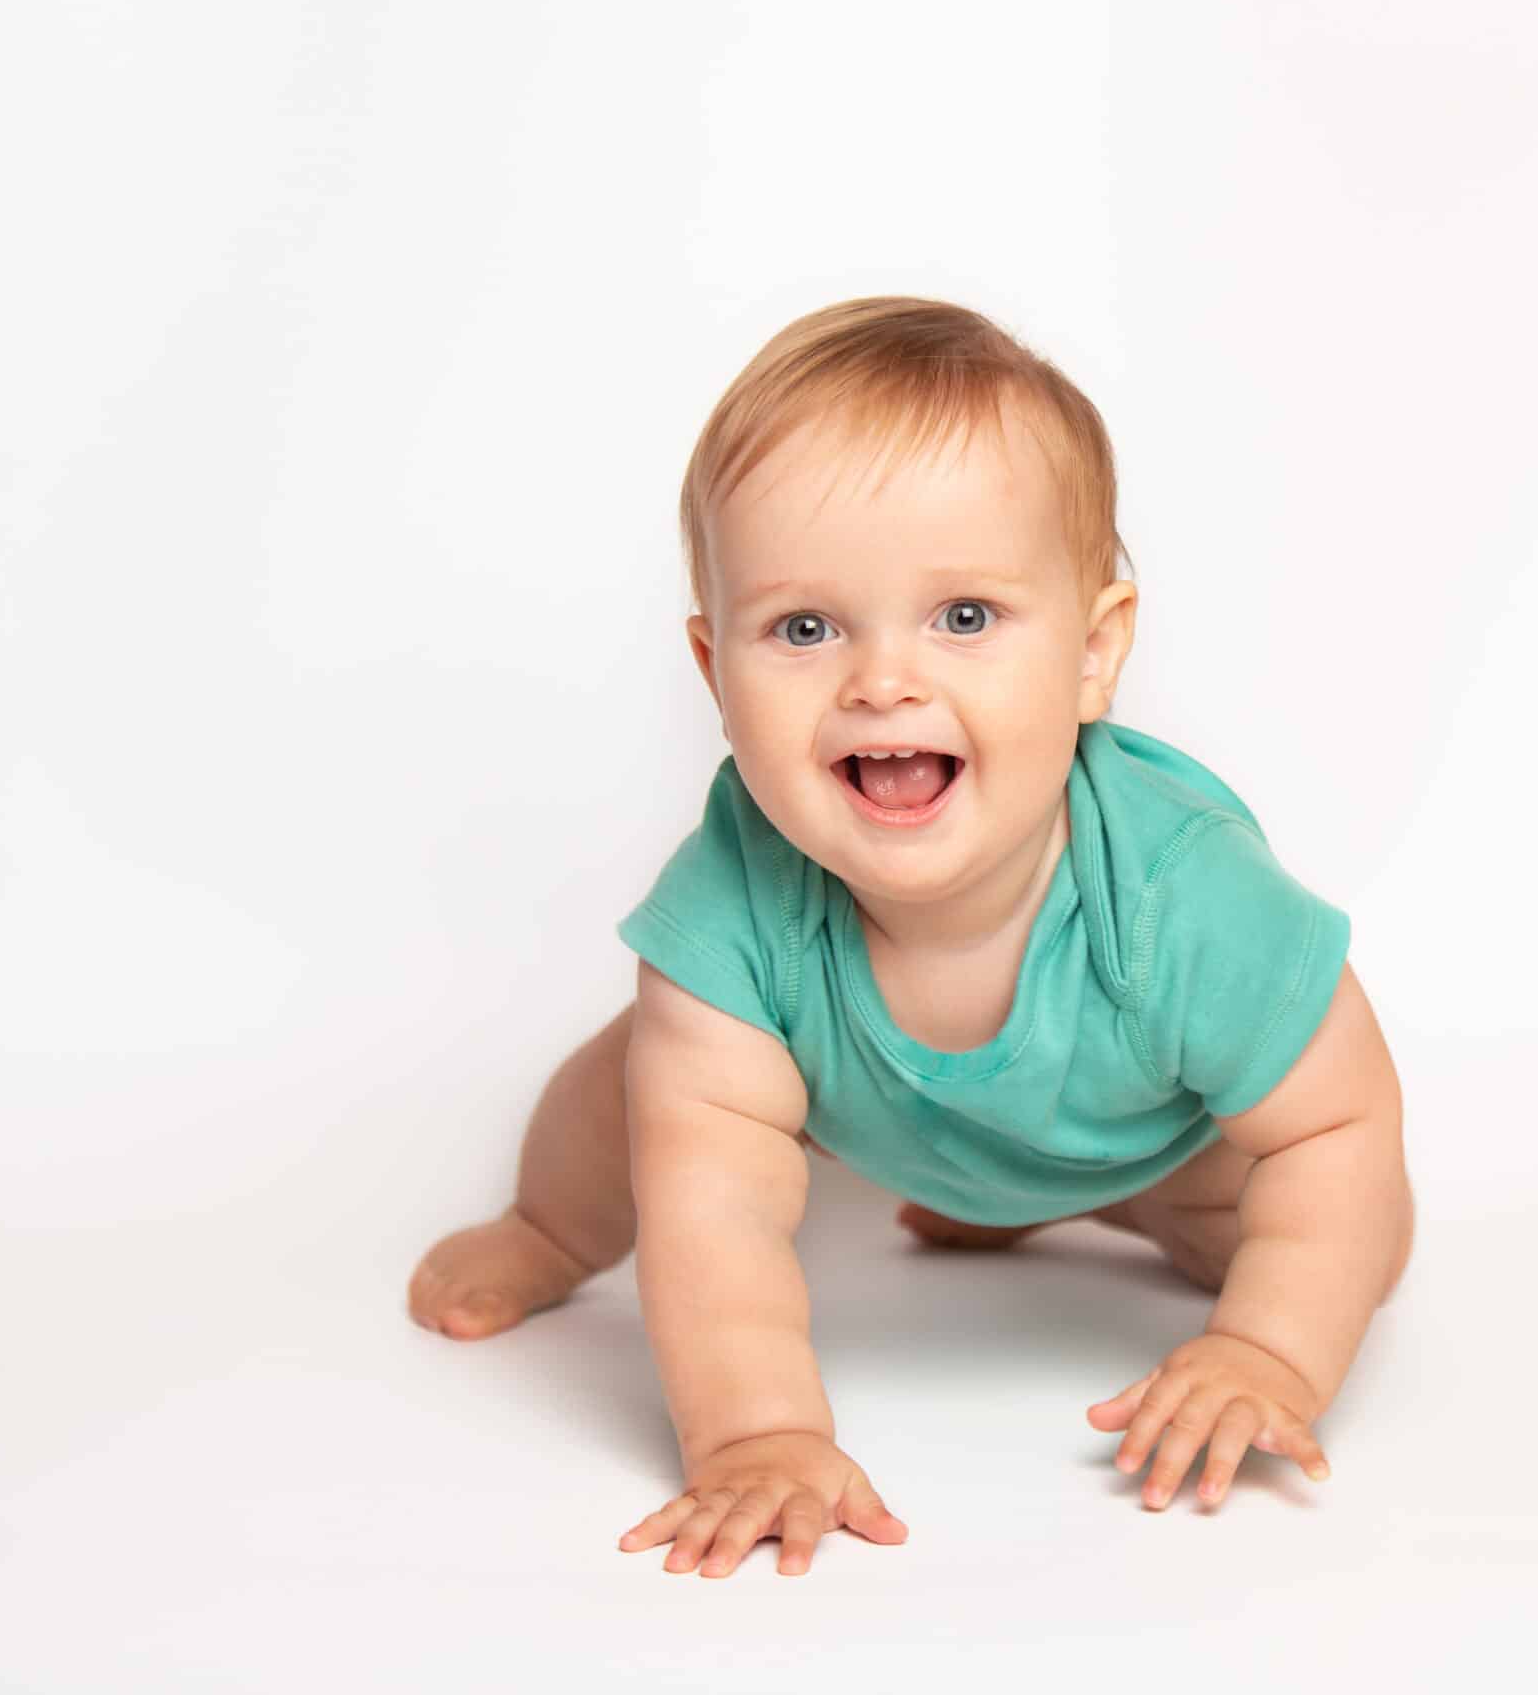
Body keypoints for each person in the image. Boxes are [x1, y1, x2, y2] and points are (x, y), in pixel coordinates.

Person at [408, 295, 1413, 1577]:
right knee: (640, 1094)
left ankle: (1109, 1216)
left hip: (1159, 1135)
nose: (883, 682)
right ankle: (547, 1229)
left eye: (965, 618)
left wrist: (1266, 1350)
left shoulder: (1175, 896)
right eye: (806, 628)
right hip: (871, 1106)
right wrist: (756, 1435)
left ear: (1096, 652)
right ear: (716, 675)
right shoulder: (738, 906)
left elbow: (1337, 1123)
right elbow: (711, 1205)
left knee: (1343, 1238)